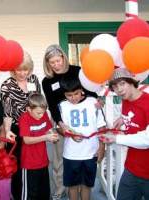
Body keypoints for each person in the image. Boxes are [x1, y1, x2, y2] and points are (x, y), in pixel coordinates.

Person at [41, 44, 97, 200]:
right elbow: (52, 105)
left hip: (82, 118)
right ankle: (60, 190)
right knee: (60, 158)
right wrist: (60, 124)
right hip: (61, 120)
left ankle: (83, 187)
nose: (56, 65)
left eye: (58, 61)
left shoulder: (77, 71)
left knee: (83, 153)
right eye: (52, 63)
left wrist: (97, 101)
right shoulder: (47, 81)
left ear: (63, 58)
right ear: (47, 64)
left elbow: (91, 93)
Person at [0, 51, 41, 200]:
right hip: (17, 129)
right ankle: (18, 196)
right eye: (19, 69)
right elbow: (7, 112)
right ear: (13, 69)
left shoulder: (34, 79)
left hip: (34, 128)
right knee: (18, 166)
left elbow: (40, 104)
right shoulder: (7, 86)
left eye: (26, 69)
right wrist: (8, 130)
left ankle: (33, 194)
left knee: (35, 163)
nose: (23, 73)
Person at [58, 74, 106, 200]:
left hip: (91, 153)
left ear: (82, 90)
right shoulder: (62, 106)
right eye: (69, 95)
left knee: (86, 185)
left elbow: (101, 127)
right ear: (64, 94)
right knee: (72, 186)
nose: (73, 98)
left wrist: (102, 147)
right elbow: (59, 128)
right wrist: (69, 134)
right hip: (71, 154)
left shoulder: (93, 103)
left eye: (76, 94)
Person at [104, 68, 149, 200]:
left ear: (131, 82)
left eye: (122, 83)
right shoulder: (126, 99)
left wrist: (116, 138)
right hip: (132, 169)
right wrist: (123, 119)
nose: (119, 89)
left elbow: (147, 140)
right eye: (115, 86)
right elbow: (135, 117)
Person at [19, 93, 59, 200]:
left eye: (43, 112)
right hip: (29, 164)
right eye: (38, 113)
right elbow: (26, 140)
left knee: (44, 192)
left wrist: (52, 134)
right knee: (29, 194)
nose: (41, 115)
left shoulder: (44, 113)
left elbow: (48, 128)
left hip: (42, 161)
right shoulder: (24, 119)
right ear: (28, 109)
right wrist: (46, 137)